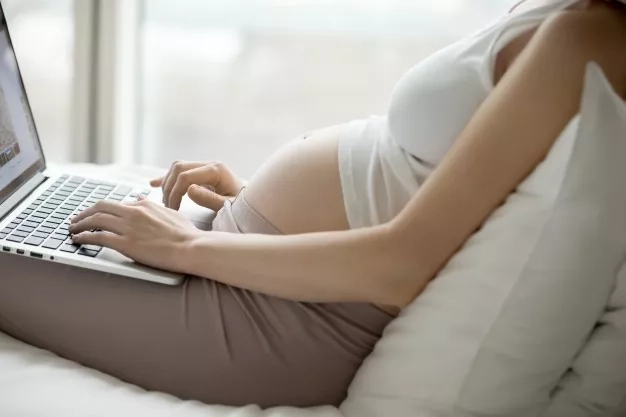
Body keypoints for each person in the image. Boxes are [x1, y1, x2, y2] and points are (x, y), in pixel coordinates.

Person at [1, 0, 626, 408]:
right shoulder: (567, 14)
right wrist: (249, 203)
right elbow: (428, 187)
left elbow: (401, 266)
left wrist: (185, 245)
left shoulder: (589, 36)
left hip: (278, 319)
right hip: (255, 269)